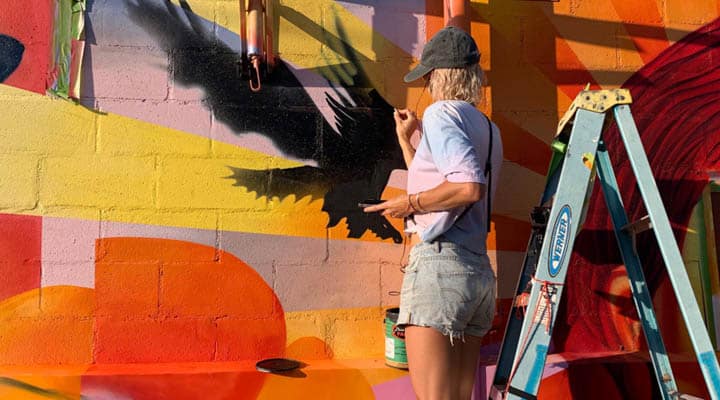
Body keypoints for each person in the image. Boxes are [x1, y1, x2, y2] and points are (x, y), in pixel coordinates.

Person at [364, 26, 502, 400]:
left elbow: (467, 187)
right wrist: (409, 143)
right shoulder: (488, 127)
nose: (426, 83)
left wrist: (405, 205)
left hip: (441, 269)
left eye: (427, 76)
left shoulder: (441, 114)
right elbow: (446, 182)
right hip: (476, 274)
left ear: (439, 75)